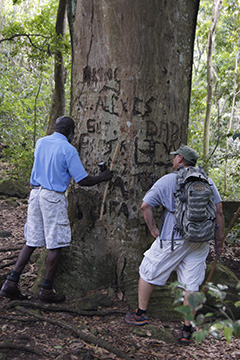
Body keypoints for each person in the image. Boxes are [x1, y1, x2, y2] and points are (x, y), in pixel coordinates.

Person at [0, 116, 113, 303]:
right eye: (73, 132)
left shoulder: (41, 142)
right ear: (69, 131)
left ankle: (11, 282)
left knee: (32, 240)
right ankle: (46, 289)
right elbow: (82, 180)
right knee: (56, 243)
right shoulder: (68, 149)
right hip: (52, 197)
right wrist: (103, 177)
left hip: (35, 194)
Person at [124, 145, 224, 344]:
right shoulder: (207, 181)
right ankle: (187, 330)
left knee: (147, 271)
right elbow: (219, 211)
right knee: (191, 284)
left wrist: (153, 229)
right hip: (200, 241)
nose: (173, 160)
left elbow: (146, 206)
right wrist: (219, 241)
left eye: (175, 157)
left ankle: (140, 313)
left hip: (172, 238)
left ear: (179, 160)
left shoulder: (169, 180)